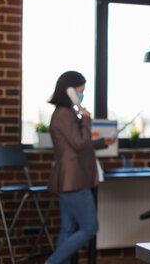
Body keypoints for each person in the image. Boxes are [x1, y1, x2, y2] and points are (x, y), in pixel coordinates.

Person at [45, 71, 116, 264]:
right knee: (89, 227)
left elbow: (79, 143)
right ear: (69, 91)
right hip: (74, 180)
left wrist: (103, 142)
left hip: (70, 180)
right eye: (80, 91)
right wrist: (85, 118)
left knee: (68, 229)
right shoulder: (64, 114)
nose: (82, 94)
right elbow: (78, 143)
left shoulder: (65, 113)